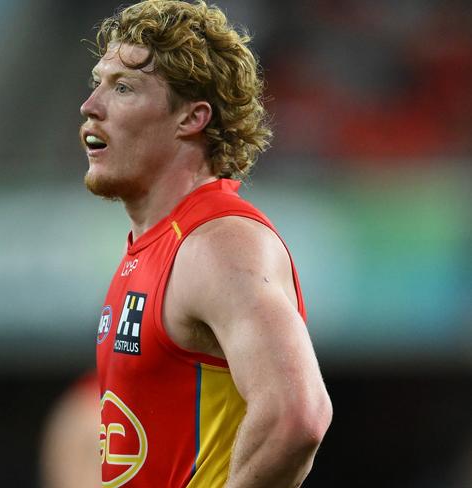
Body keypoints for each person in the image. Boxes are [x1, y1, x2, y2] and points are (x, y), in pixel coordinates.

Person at [79, 1, 332, 486]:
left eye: (123, 88)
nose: (90, 106)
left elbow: (296, 415)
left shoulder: (218, 243)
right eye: (98, 83)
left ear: (191, 118)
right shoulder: (154, 246)